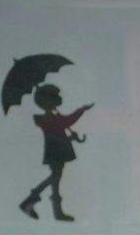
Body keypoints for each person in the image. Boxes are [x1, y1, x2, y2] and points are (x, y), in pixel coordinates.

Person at [18, 82, 91, 222]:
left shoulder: (50, 118)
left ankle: (56, 212)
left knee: (56, 178)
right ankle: (31, 199)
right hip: (56, 151)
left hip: (57, 150)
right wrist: (81, 111)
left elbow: (65, 123)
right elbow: (65, 124)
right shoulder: (49, 119)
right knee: (56, 176)